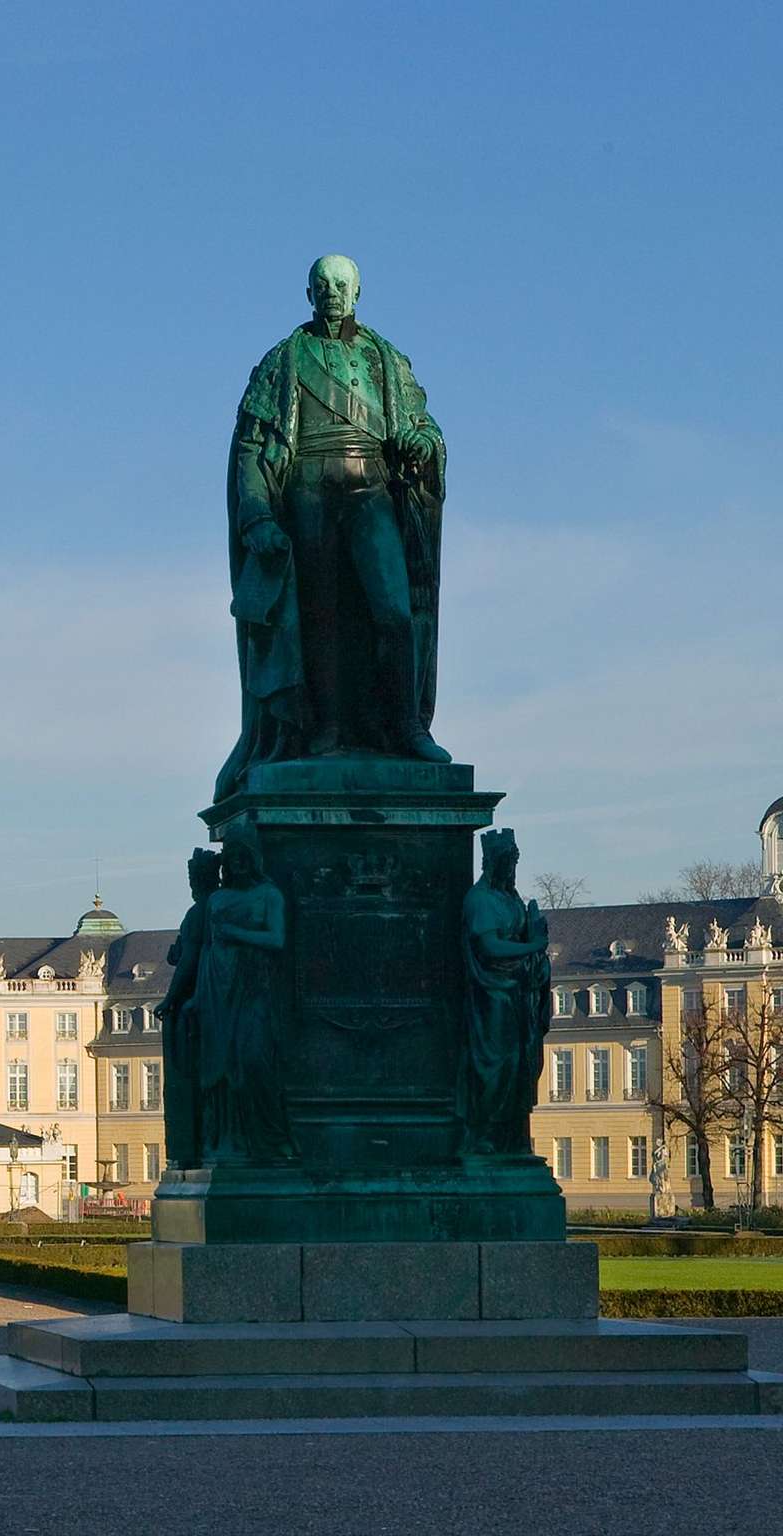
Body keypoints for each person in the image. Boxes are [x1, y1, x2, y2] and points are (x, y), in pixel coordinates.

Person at [217, 255, 450, 799]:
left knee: (393, 611)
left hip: (372, 487)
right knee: (318, 617)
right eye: (322, 284)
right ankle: (321, 730)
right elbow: (252, 446)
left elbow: (424, 424)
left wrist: (422, 442)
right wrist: (258, 516)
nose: (332, 292)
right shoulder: (283, 360)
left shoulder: (387, 359)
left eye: (341, 285)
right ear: (308, 293)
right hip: (307, 490)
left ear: (358, 292)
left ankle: (406, 727)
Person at [197, 823, 294, 1161]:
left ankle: (270, 1137)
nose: (237, 862)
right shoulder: (217, 899)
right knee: (221, 1063)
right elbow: (207, 948)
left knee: (254, 1059)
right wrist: (198, 995)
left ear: (254, 859)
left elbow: (277, 939)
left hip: (255, 985)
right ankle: (231, 1138)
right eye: (231, 857)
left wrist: (236, 933)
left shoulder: (269, 895)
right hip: (218, 988)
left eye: (243, 856)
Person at [461, 827, 552, 1154]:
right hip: (493, 995)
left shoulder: (510, 898)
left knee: (520, 1063)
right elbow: (490, 947)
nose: (512, 870)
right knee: (498, 1063)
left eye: (515, 863)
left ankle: (512, 1135)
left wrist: (534, 928)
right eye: (508, 863)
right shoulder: (480, 899)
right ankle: (486, 1133)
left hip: (518, 992)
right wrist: (532, 945)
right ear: (493, 863)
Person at [154, 848, 224, 1168]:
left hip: (200, 1004)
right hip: (216, 996)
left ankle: (190, 1146)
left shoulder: (200, 911)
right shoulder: (220, 906)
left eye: (193, 877)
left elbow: (189, 960)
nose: (192, 883)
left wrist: (170, 999)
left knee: (187, 1076)